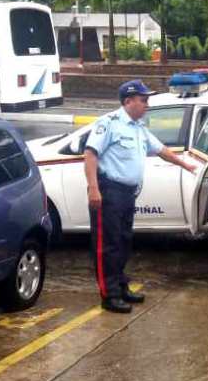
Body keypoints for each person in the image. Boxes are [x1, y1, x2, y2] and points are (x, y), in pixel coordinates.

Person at [84, 80, 197, 313]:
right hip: (109, 191)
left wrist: (184, 164)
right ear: (128, 101)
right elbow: (90, 154)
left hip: (126, 193)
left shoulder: (138, 127)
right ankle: (110, 295)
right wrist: (93, 188)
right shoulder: (109, 124)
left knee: (124, 242)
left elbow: (161, 150)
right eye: (143, 100)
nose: (147, 104)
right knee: (108, 245)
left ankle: (121, 285)